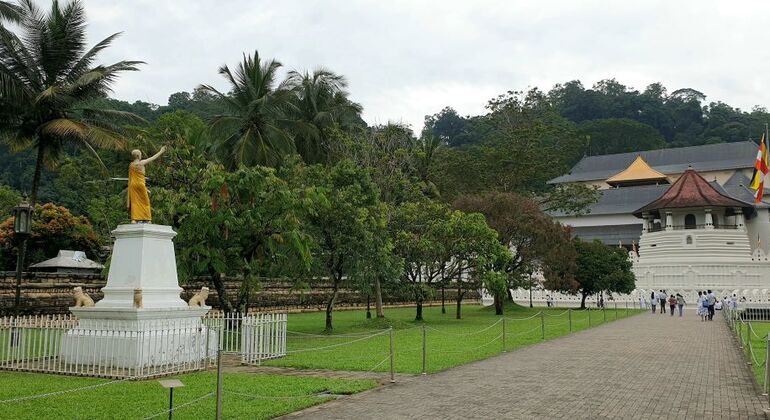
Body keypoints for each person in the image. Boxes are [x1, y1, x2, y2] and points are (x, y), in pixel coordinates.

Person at [128, 146, 167, 223]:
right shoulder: (141, 163)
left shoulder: (131, 165)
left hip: (133, 185)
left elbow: (131, 177)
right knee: (145, 201)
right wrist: (161, 151)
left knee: (135, 202)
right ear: (138, 156)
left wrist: (146, 189)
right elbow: (153, 158)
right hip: (140, 184)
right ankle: (147, 218)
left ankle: (134, 219)